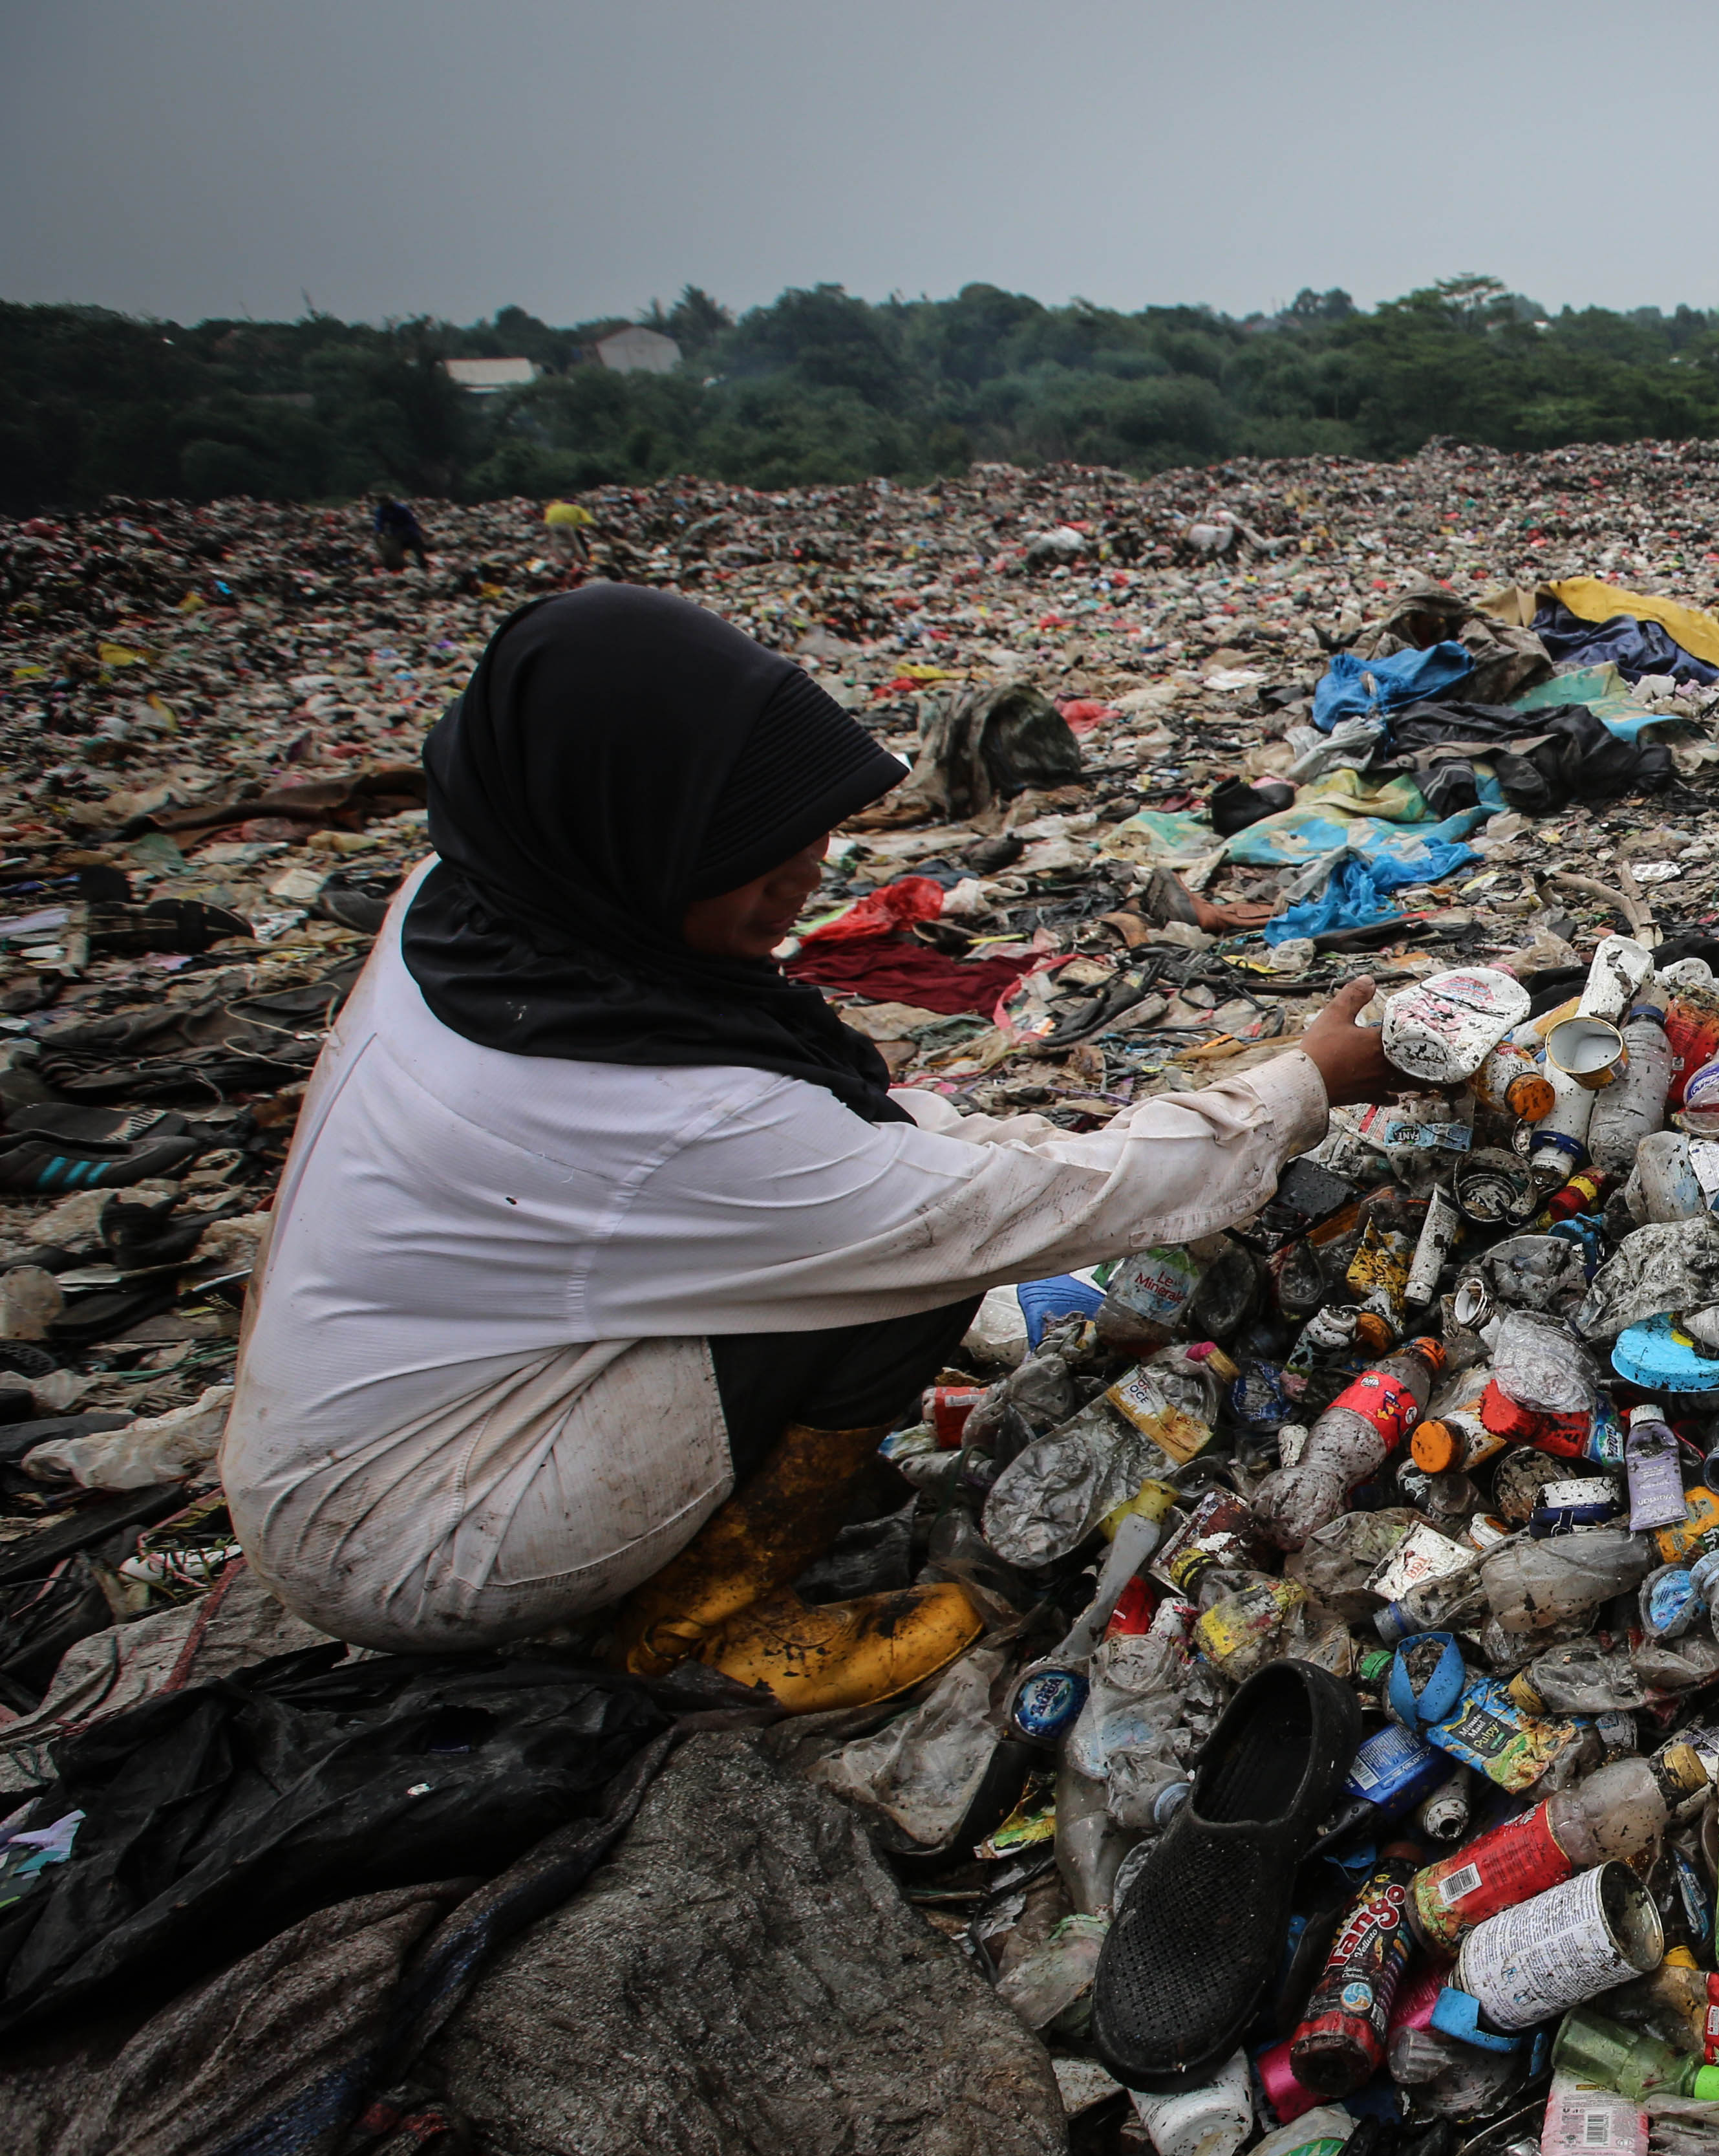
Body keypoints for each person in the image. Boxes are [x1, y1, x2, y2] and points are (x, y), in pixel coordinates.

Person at [224, 583, 1411, 1703]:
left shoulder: (483, 901)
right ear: (636, 841)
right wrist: (1303, 1083)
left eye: (808, 826)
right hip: (418, 1541)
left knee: (890, 1224)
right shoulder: (661, 1115)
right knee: (905, 1281)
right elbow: (981, 1210)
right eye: (747, 841)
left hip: (356, 1427)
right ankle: (703, 1628)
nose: (808, 869)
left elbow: (839, 1149)